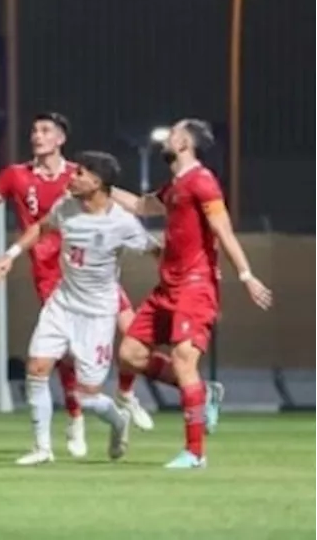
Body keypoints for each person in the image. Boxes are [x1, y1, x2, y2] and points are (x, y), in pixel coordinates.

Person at [0, 112, 151, 459]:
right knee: (39, 366)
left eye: (44, 130)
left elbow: (154, 245)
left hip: (98, 304)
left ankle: (120, 411)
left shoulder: (118, 218)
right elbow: (40, 227)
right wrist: (9, 254)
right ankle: (44, 446)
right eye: (34, 129)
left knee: (100, 379)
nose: (74, 177)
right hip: (60, 293)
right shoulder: (61, 200)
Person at [110, 119, 272, 469]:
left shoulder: (202, 181)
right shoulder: (176, 186)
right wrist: (101, 188)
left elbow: (223, 230)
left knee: (184, 361)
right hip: (167, 287)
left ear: (184, 143)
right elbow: (141, 206)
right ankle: (206, 391)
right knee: (130, 355)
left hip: (195, 287)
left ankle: (195, 452)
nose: (168, 137)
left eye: (173, 133)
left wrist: (246, 275)